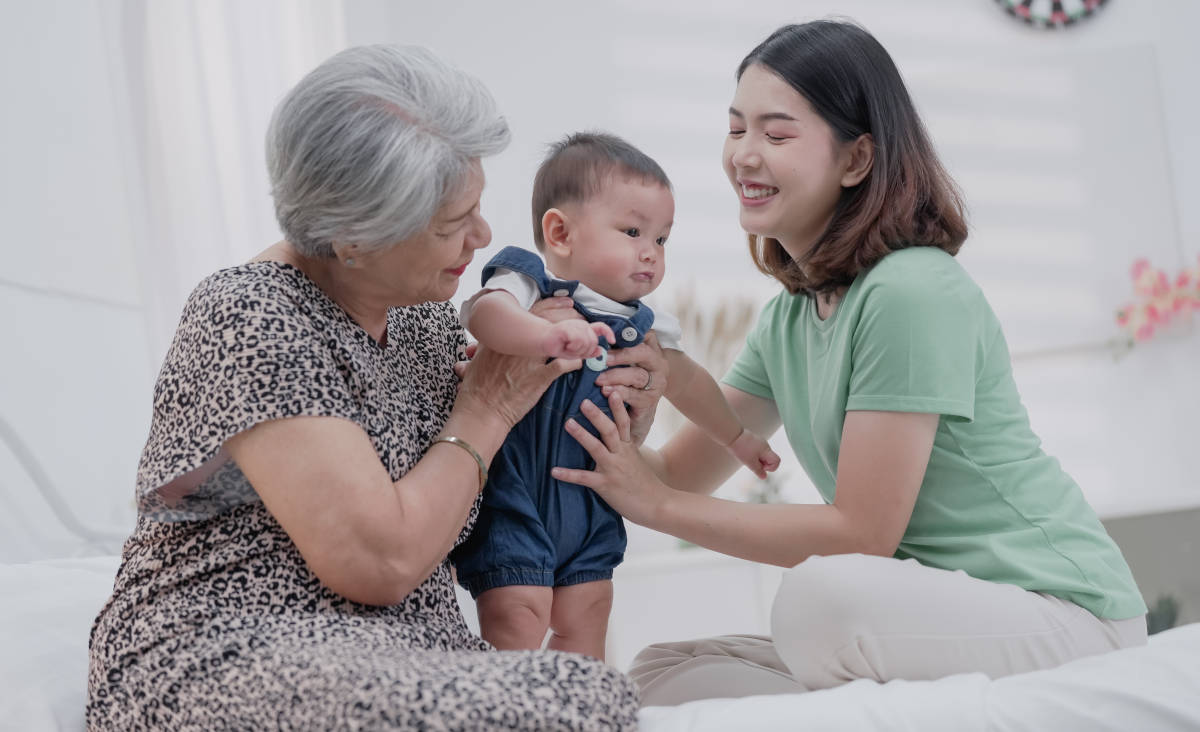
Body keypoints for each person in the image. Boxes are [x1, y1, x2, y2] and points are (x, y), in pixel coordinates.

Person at [551, 20, 1148, 705]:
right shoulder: (789, 319)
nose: (743, 154)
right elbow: (675, 477)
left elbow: (863, 533)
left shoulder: (911, 289)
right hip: (936, 613)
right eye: (736, 128)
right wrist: (614, 412)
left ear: (857, 159)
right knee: (662, 676)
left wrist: (654, 502)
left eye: (776, 135)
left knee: (820, 600)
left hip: (1060, 612)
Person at [86, 45, 654, 730]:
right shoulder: (252, 317)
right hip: (233, 646)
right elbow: (379, 562)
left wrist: (609, 402)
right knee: (548, 706)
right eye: (452, 225)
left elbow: (510, 482)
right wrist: (490, 404)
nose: (482, 235)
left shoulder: (421, 320)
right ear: (352, 239)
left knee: (590, 691)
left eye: (476, 207)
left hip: (401, 649)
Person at [450, 132, 780, 660]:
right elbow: (485, 314)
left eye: (662, 239)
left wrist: (737, 438)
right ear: (560, 233)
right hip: (517, 492)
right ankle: (507, 700)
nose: (650, 252)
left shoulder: (645, 327)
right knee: (518, 612)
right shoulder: (530, 285)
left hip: (592, 500)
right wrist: (544, 337)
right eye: (632, 231)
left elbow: (689, 382)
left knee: (589, 613)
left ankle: (586, 701)